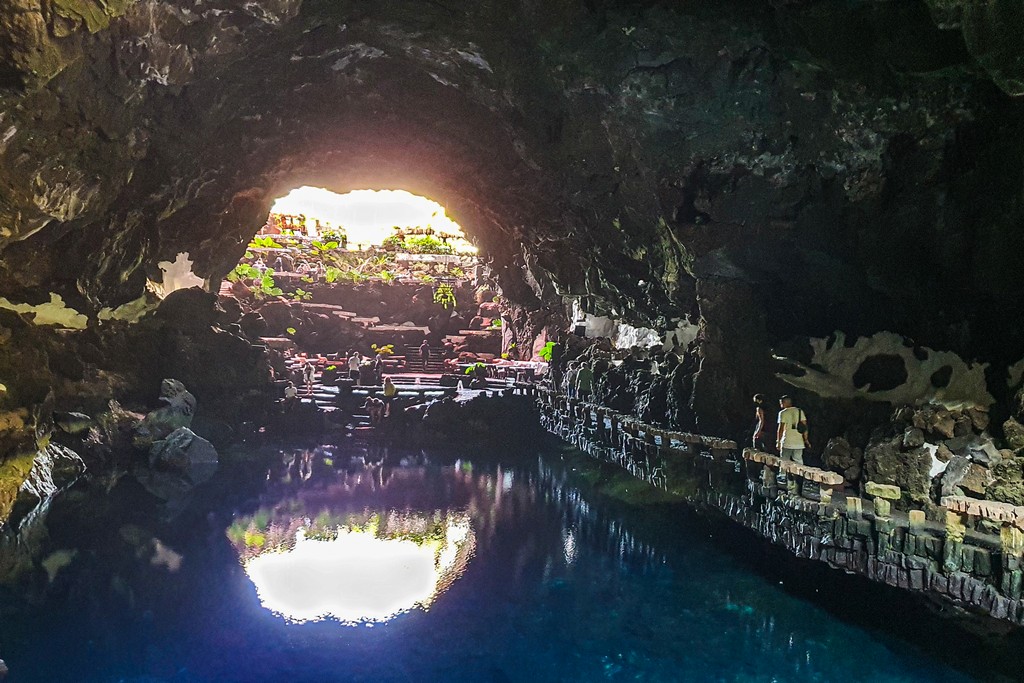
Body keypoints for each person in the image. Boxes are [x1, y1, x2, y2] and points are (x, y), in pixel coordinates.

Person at [776, 395, 809, 464]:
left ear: (785, 402)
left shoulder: (782, 413)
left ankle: (783, 474)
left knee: (784, 461)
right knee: (798, 460)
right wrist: (806, 440)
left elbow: (781, 429)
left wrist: (778, 441)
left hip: (787, 442)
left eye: (781, 403)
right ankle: (799, 474)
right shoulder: (800, 411)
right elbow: (805, 427)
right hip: (799, 442)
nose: (780, 404)